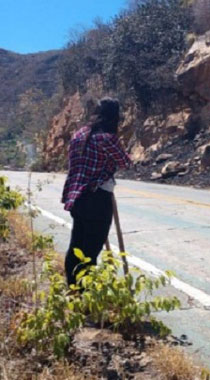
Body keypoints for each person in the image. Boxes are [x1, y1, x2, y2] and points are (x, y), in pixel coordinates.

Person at [61, 97, 131, 286]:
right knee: (90, 252)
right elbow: (125, 162)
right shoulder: (107, 138)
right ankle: (85, 297)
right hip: (97, 198)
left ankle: (72, 288)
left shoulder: (79, 135)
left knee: (76, 245)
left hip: (77, 197)